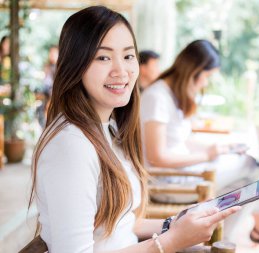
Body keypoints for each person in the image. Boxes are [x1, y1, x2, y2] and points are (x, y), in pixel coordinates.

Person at [29, 6, 239, 253]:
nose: (122, 71)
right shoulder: (70, 145)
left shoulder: (108, 127)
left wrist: (176, 225)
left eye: (128, 56)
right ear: (76, 64)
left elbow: (122, 224)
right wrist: (170, 241)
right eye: (103, 57)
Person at [140, 40, 259, 245]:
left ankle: (228, 238)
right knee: (253, 167)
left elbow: (181, 141)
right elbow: (157, 157)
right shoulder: (157, 97)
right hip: (169, 183)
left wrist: (219, 149)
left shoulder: (172, 94)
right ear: (195, 71)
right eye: (207, 76)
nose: (206, 83)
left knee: (246, 181)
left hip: (185, 173)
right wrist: (207, 155)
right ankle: (252, 230)